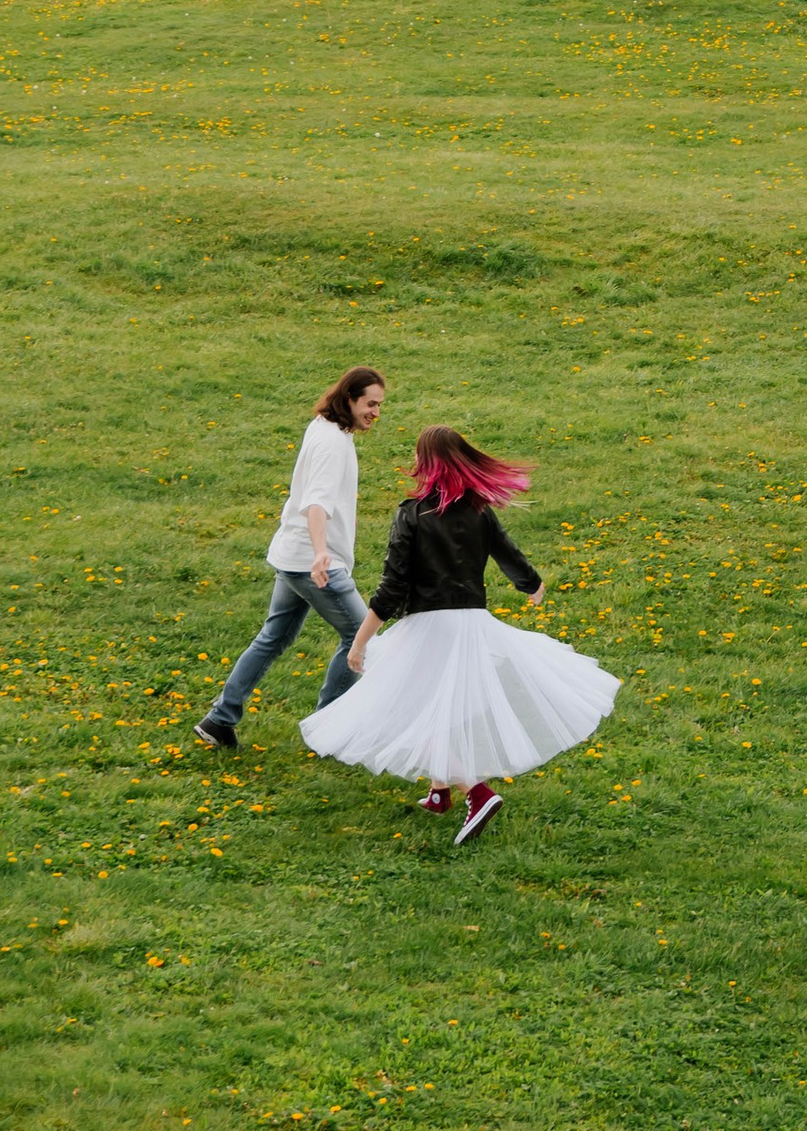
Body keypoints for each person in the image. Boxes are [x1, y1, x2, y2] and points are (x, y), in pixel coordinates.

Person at [301, 425, 618, 846]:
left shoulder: (412, 514)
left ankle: (477, 791)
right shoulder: (479, 511)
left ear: (424, 464)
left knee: (420, 708)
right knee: (440, 702)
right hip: (472, 623)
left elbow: (392, 587)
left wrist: (360, 643)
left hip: (432, 626)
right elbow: (508, 553)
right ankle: (439, 791)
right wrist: (532, 584)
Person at [193, 363, 386, 749]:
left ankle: (220, 718)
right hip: (314, 562)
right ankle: (328, 730)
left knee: (273, 636)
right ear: (349, 399)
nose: (375, 413)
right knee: (361, 637)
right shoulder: (332, 444)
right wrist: (320, 554)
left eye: (380, 406)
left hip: (291, 554)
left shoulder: (323, 427)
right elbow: (316, 502)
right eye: (370, 404)